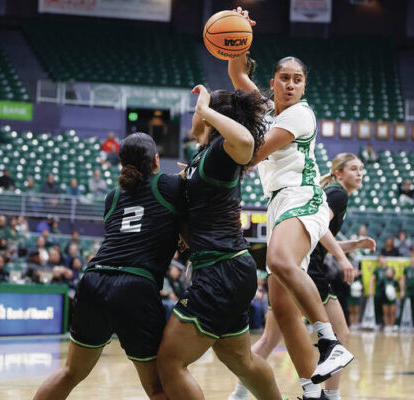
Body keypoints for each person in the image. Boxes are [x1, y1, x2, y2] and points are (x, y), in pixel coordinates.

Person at [227, 11, 353, 395]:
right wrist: (238, 34)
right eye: (285, 78)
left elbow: (252, 155)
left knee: (280, 261)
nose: (291, 84)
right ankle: (311, 388)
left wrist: (209, 164)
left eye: (298, 80)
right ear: (274, 82)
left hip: (304, 198)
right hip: (278, 204)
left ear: (303, 87)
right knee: (280, 309)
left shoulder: (300, 114)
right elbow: (236, 75)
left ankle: (330, 342)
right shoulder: (267, 109)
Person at [33, 133, 183, 400]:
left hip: (94, 280)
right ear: (156, 162)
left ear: (121, 163)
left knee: (70, 373)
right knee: (157, 387)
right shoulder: (169, 186)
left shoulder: (112, 198)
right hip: (135, 285)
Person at [156, 84, 281, 400]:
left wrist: (206, 108)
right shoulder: (203, 156)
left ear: (214, 119)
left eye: (200, 112)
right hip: (229, 269)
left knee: (170, 362)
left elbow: (246, 140)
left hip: (220, 270)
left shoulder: (220, 153)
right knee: (240, 359)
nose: (195, 116)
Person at [229, 153, 376, 400]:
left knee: (268, 340)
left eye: (361, 169)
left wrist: (351, 246)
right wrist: (342, 257)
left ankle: (238, 394)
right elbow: (319, 226)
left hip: (291, 266)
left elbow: (317, 233)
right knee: (341, 334)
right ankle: (331, 396)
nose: (359, 173)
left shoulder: (331, 193)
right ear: (338, 173)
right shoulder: (337, 194)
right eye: (353, 169)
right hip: (309, 271)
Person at [399, 251, 414, 328]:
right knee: (403, 305)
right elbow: (403, 279)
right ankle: (399, 323)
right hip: (408, 290)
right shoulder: (407, 269)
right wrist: (402, 291)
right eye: (411, 258)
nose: (413, 259)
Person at [369, 255, 388, 328]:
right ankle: (377, 323)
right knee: (377, 307)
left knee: (386, 308)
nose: (381, 260)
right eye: (380, 259)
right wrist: (370, 290)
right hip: (378, 291)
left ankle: (386, 324)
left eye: (382, 259)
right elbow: (372, 279)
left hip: (386, 291)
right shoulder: (377, 270)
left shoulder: (388, 269)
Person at [381, 267, 399, 332]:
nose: (388, 273)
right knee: (385, 312)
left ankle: (391, 325)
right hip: (385, 299)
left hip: (392, 299)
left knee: (392, 312)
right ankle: (387, 325)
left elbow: (398, 288)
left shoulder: (394, 281)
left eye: (390, 272)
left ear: (393, 273)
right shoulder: (383, 280)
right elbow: (380, 288)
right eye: (387, 272)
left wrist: (392, 291)